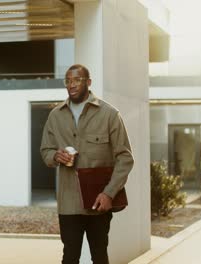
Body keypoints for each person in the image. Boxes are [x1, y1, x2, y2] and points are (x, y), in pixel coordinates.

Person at [40, 64, 134, 264]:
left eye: (77, 80)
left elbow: (125, 158)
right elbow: (45, 151)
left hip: (98, 202)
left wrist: (109, 193)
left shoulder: (109, 114)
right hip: (68, 204)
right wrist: (56, 156)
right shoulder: (55, 116)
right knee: (70, 257)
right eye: (68, 81)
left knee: (99, 256)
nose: (71, 85)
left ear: (88, 82)